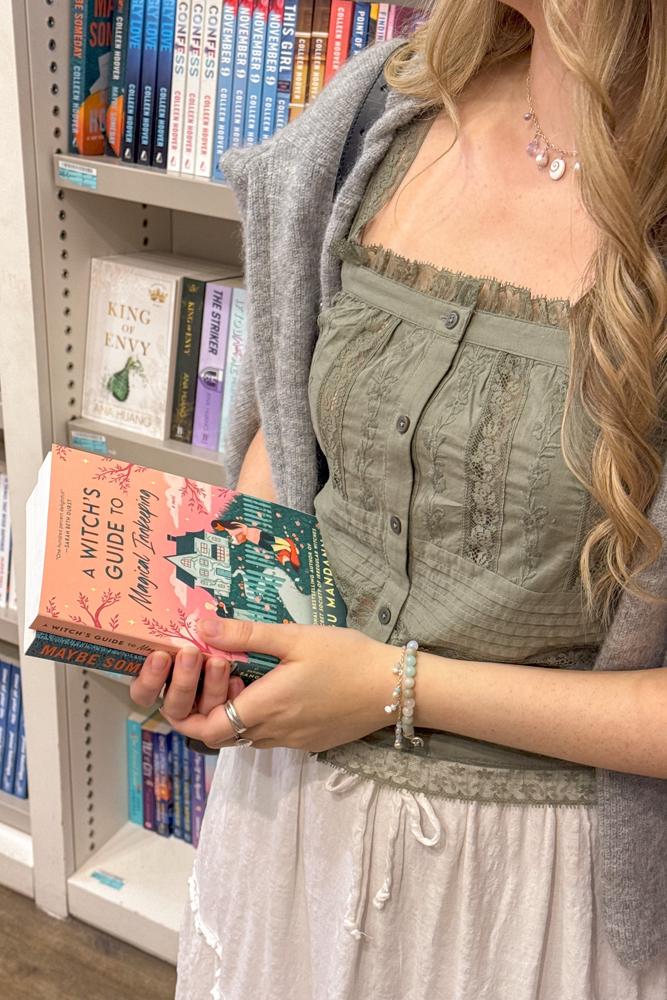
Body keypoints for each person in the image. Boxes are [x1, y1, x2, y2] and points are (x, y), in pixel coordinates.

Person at [131, 1, 667, 996]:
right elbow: (291, 425)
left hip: (536, 895)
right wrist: (220, 632)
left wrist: (396, 687)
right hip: (285, 829)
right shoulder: (380, 110)